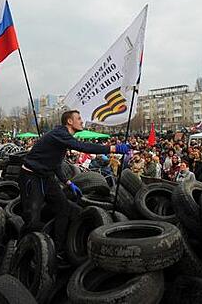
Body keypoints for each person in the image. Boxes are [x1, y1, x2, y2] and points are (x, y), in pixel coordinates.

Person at [17, 110, 130, 262]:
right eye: (79, 118)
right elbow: (82, 146)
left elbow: (55, 163)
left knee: (65, 209)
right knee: (32, 219)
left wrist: (68, 182)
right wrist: (113, 149)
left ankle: (56, 249)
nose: (82, 121)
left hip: (47, 177)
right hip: (31, 177)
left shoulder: (63, 138)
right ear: (69, 122)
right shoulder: (60, 133)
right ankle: (21, 251)